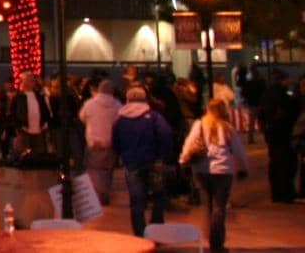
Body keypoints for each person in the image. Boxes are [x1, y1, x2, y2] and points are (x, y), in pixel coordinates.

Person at [180, 96, 251, 253]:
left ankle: (211, 234)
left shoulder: (199, 125)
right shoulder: (227, 127)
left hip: (202, 171)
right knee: (219, 206)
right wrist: (244, 167)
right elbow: (239, 150)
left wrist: (183, 160)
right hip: (223, 171)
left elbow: (189, 143)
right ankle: (216, 242)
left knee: (209, 204)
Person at [113, 85, 174, 237]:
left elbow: (115, 141)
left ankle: (140, 234)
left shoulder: (120, 120)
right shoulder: (154, 117)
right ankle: (156, 229)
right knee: (158, 196)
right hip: (153, 163)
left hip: (131, 164)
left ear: (127, 100)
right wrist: (162, 156)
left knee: (136, 201)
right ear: (145, 100)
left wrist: (121, 155)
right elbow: (166, 135)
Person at [79, 75, 122, 202]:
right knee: (108, 170)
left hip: (94, 141)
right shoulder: (117, 105)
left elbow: (82, 117)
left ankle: (97, 193)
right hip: (110, 142)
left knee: (93, 170)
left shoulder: (90, 104)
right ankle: (105, 192)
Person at [257, 69, 298, 204]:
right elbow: (289, 111)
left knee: (275, 162)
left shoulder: (267, 94)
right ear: (284, 80)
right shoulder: (282, 95)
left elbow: (261, 113)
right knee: (286, 163)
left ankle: (277, 193)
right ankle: (286, 193)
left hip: (271, 133)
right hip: (282, 133)